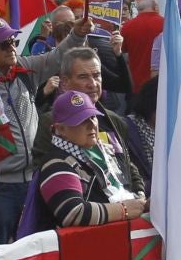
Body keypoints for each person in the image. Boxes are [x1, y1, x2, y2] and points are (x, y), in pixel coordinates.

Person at [35, 91, 149, 228]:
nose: (91, 125)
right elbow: (73, 214)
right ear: (61, 129)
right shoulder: (56, 163)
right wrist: (123, 209)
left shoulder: (103, 149)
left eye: (93, 117)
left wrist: (140, 200)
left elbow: (131, 173)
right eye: (81, 120)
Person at [0, 16, 40, 243]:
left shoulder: (23, 71)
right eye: (5, 44)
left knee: (32, 247)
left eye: (13, 41)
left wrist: (78, 35)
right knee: (0, 249)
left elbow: (57, 58)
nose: (12, 48)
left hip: (31, 181)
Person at [121, 0, 166, 89]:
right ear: (155, 6)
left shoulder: (126, 27)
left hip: (137, 86)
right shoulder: (167, 24)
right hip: (162, 86)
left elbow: (122, 52)